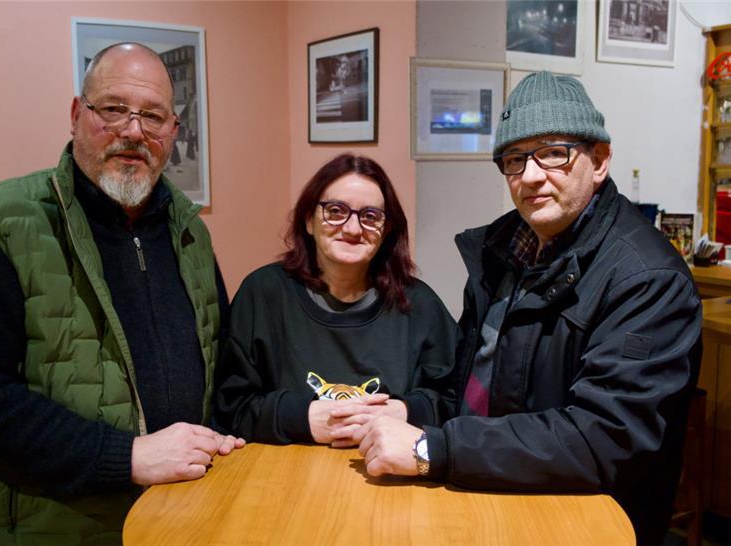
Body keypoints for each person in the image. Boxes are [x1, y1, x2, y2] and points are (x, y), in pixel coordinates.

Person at [347, 71, 702, 545]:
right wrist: (409, 412)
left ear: (599, 160)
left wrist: (434, 448)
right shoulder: (503, 252)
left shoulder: (649, 279)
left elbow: (606, 438)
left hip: (583, 523)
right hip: (490, 493)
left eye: (554, 153)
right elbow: (474, 390)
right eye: (515, 159)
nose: (531, 176)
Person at [0, 42, 243, 544]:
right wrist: (127, 457)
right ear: (76, 114)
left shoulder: (189, 233)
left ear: (173, 131)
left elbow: (221, 368)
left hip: (172, 523)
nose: (133, 131)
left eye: (152, 116)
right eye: (113, 109)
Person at [214, 154, 458, 446]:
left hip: (388, 468)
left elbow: (456, 401)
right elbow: (229, 406)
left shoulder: (420, 305)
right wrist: (304, 419)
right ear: (309, 220)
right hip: (282, 469)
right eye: (335, 211)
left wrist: (403, 411)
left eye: (370, 216)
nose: (353, 229)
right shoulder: (263, 294)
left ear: (387, 230)